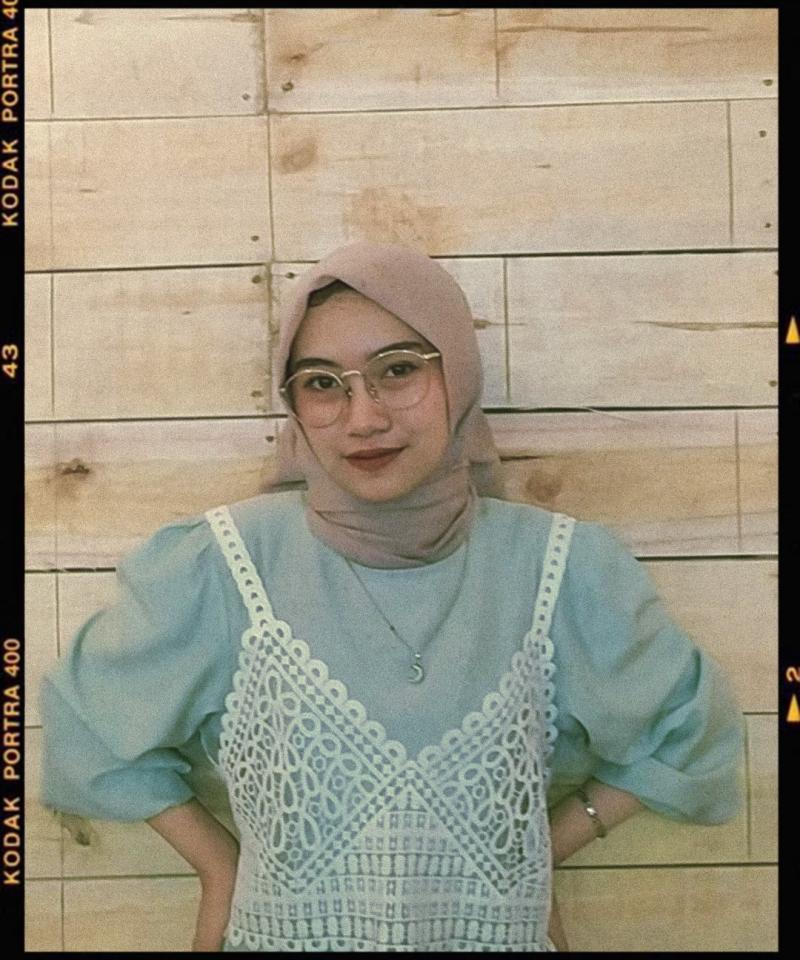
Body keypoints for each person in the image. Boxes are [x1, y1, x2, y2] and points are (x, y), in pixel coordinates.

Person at [40, 241, 745, 953]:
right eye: (323, 383)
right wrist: (220, 869)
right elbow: (87, 724)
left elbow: (690, 732)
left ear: (458, 374)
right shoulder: (224, 565)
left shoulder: (560, 570)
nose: (364, 418)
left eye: (399, 370)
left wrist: (529, 862)